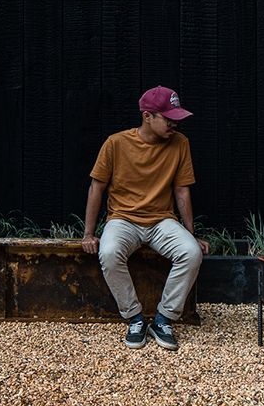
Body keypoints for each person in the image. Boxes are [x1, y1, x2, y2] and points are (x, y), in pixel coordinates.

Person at [81, 85, 209, 350]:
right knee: (109, 251)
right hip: (123, 219)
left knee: (191, 252)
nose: (175, 123)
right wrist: (89, 233)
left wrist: (191, 234)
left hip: (162, 220)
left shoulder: (180, 143)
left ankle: (163, 319)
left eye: (177, 117)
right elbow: (97, 187)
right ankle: (134, 318)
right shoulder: (116, 143)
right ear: (147, 116)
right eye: (168, 117)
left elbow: (182, 191)